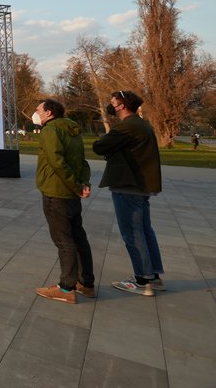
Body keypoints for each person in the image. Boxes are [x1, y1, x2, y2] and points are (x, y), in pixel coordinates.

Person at [93, 90, 165, 296]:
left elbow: (100, 146)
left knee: (132, 232)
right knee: (144, 230)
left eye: (113, 102)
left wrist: (104, 142)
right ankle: (154, 275)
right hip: (141, 185)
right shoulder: (142, 124)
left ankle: (143, 279)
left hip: (128, 185)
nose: (110, 105)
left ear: (122, 105)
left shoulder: (127, 126)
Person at [32, 98, 95, 304]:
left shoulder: (50, 131)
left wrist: (77, 186)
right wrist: (83, 184)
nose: (36, 113)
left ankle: (66, 287)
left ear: (49, 112)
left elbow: (57, 162)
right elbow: (82, 162)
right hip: (71, 194)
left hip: (56, 192)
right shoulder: (72, 130)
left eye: (38, 110)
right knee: (78, 237)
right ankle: (85, 282)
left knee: (63, 240)